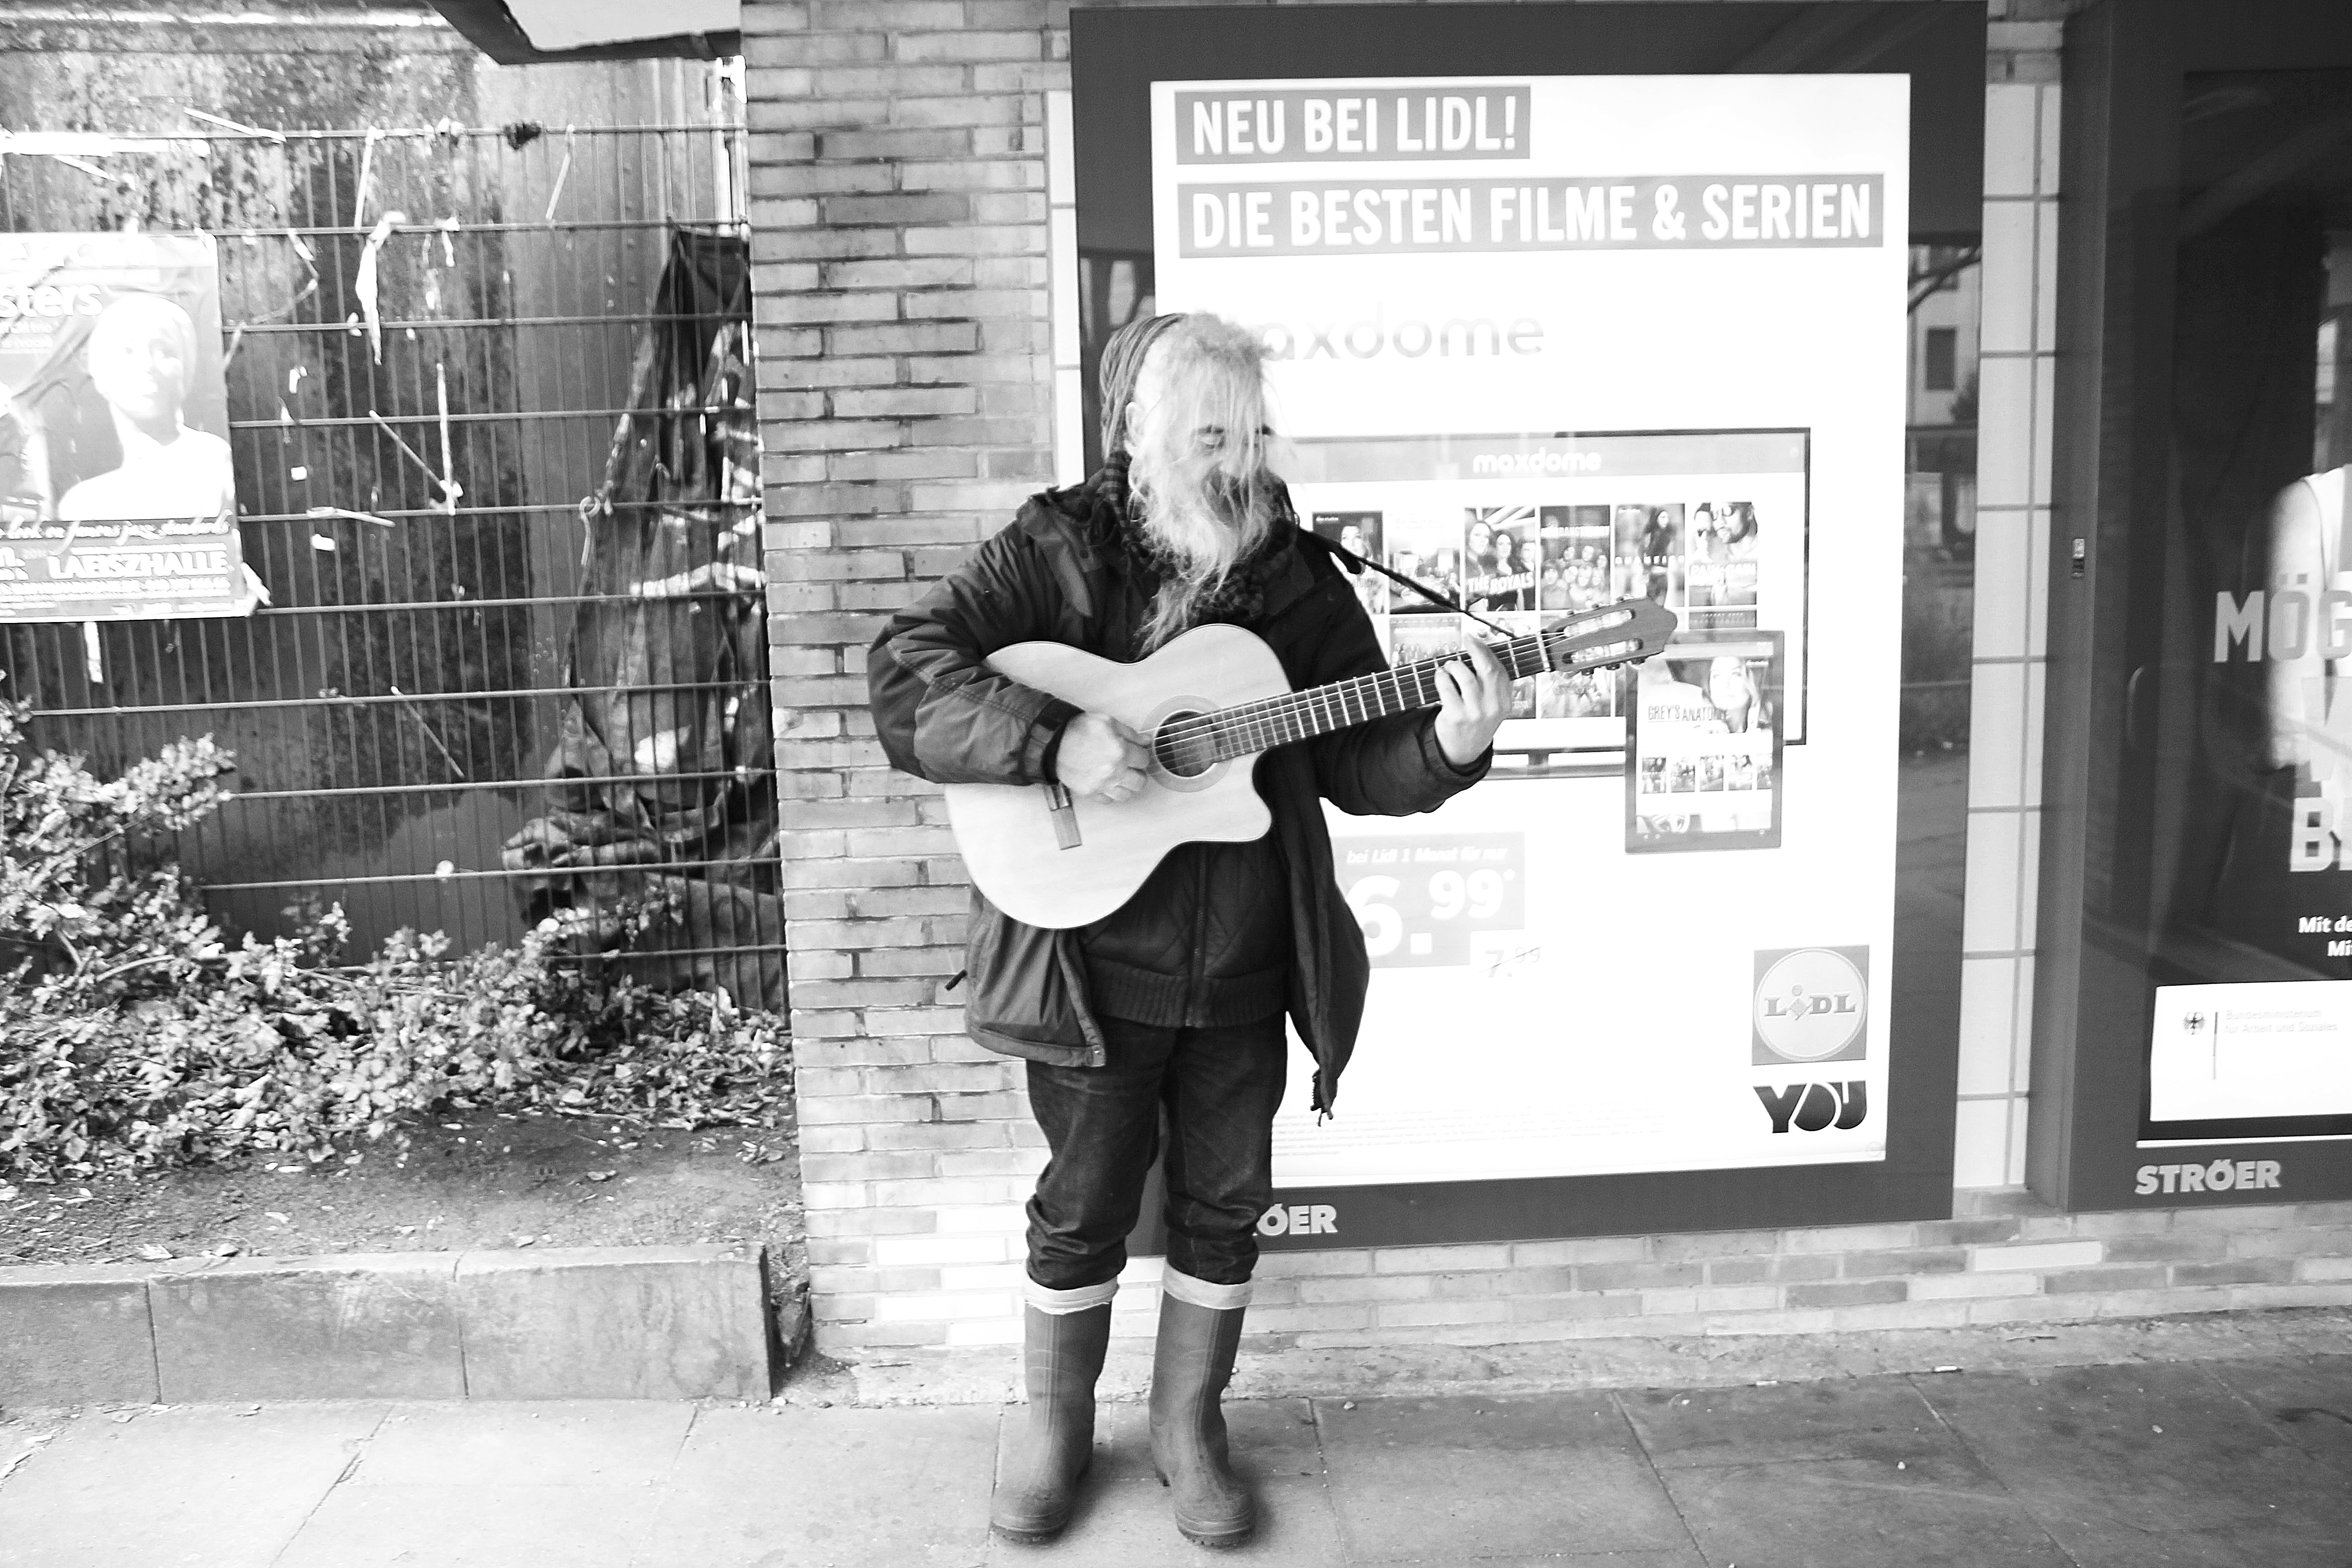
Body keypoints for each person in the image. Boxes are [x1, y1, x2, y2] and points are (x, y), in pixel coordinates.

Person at [869, 312, 1509, 1548]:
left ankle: (1186, 1428)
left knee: (1224, 1199)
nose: (1235, 457)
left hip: (1242, 966)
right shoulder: (1053, 549)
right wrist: (1054, 737)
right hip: (1091, 963)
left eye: (1250, 431)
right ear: (1139, 432)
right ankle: (1057, 1428)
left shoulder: (1296, 576)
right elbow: (907, 672)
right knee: (1084, 1202)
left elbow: (1357, 759)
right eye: (1207, 431)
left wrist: (1449, 745)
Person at [57, 294, 234, 524]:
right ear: (99, 372)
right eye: (128, 351)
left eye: (165, 352)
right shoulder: (83, 504)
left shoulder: (210, 459)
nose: (148, 365)